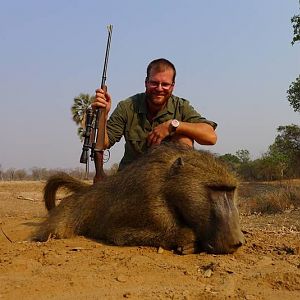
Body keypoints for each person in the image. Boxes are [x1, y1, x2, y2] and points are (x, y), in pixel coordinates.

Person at [92, 58, 217, 171]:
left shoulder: (181, 106)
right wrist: (103, 115)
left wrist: (173, 126)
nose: (159, 88)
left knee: (184, 139)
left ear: (172, 86)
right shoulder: (127, 106)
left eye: (165, 84)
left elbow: (210, 137)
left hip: (165, 182)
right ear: (146, 82)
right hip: (131, 179)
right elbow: (103, 144)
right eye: (154, 83)